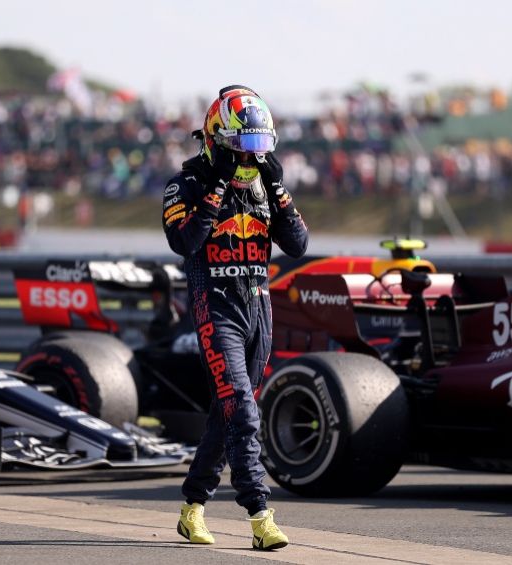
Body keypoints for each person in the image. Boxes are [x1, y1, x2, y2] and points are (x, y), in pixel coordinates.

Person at [162, 85, 308, 551]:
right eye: (244, 148)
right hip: (215, 308)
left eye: (260, 149)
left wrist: (279, 187)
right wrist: (219, 185)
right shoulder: (185, 184)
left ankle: (191, 509)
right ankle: (261, 516)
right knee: (243, 413)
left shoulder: (265, 182)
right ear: (218, 140)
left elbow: (299, 244)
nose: (252, 159)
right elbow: (184, 242)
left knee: (226, 415)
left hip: (259, 309)